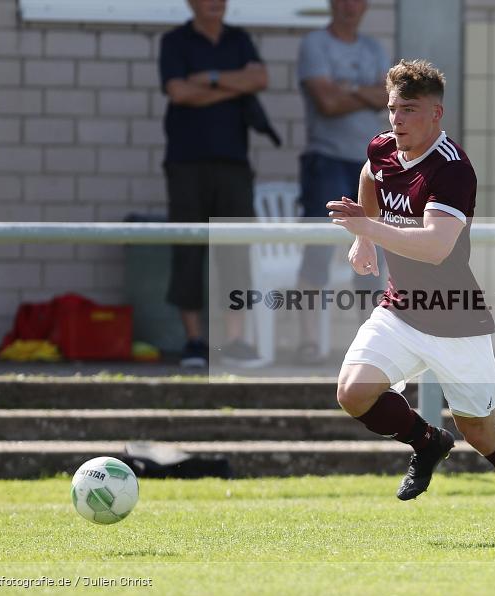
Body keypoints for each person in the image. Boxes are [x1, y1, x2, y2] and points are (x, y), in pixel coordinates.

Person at [327, 60, 495, 542]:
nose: (396, 119)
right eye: (392, 108)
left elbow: (435, 246)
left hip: (455, 318)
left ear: (436, 114)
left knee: (481, 432)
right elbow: (370, 173)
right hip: (399, 310)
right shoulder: (384, 147)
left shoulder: (452, 170)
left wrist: (367, 228)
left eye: (409, 110)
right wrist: (365, 240)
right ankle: (427, 441)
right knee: (353, 392)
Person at [159, 0, 268, 368]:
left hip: (234, 164)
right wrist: (233, 85)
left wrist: (209, 79)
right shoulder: (175, 41)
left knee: (235, 248)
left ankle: (234, 340)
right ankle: (194, 342)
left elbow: (259, 79)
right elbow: (178, 93)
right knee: (188, 247)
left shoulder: (239, 39)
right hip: (186, 163)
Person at [295, 0, 390, 364]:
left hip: (371, 164)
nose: (351, 6)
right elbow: (327, 104)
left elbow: (387, 96)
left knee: (373, 254)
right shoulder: (315, 44)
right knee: (317, 247)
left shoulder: (373, 48)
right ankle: (308, 343)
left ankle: (370, 346)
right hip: (327, 161)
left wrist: (348, 91)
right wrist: (365, 94)